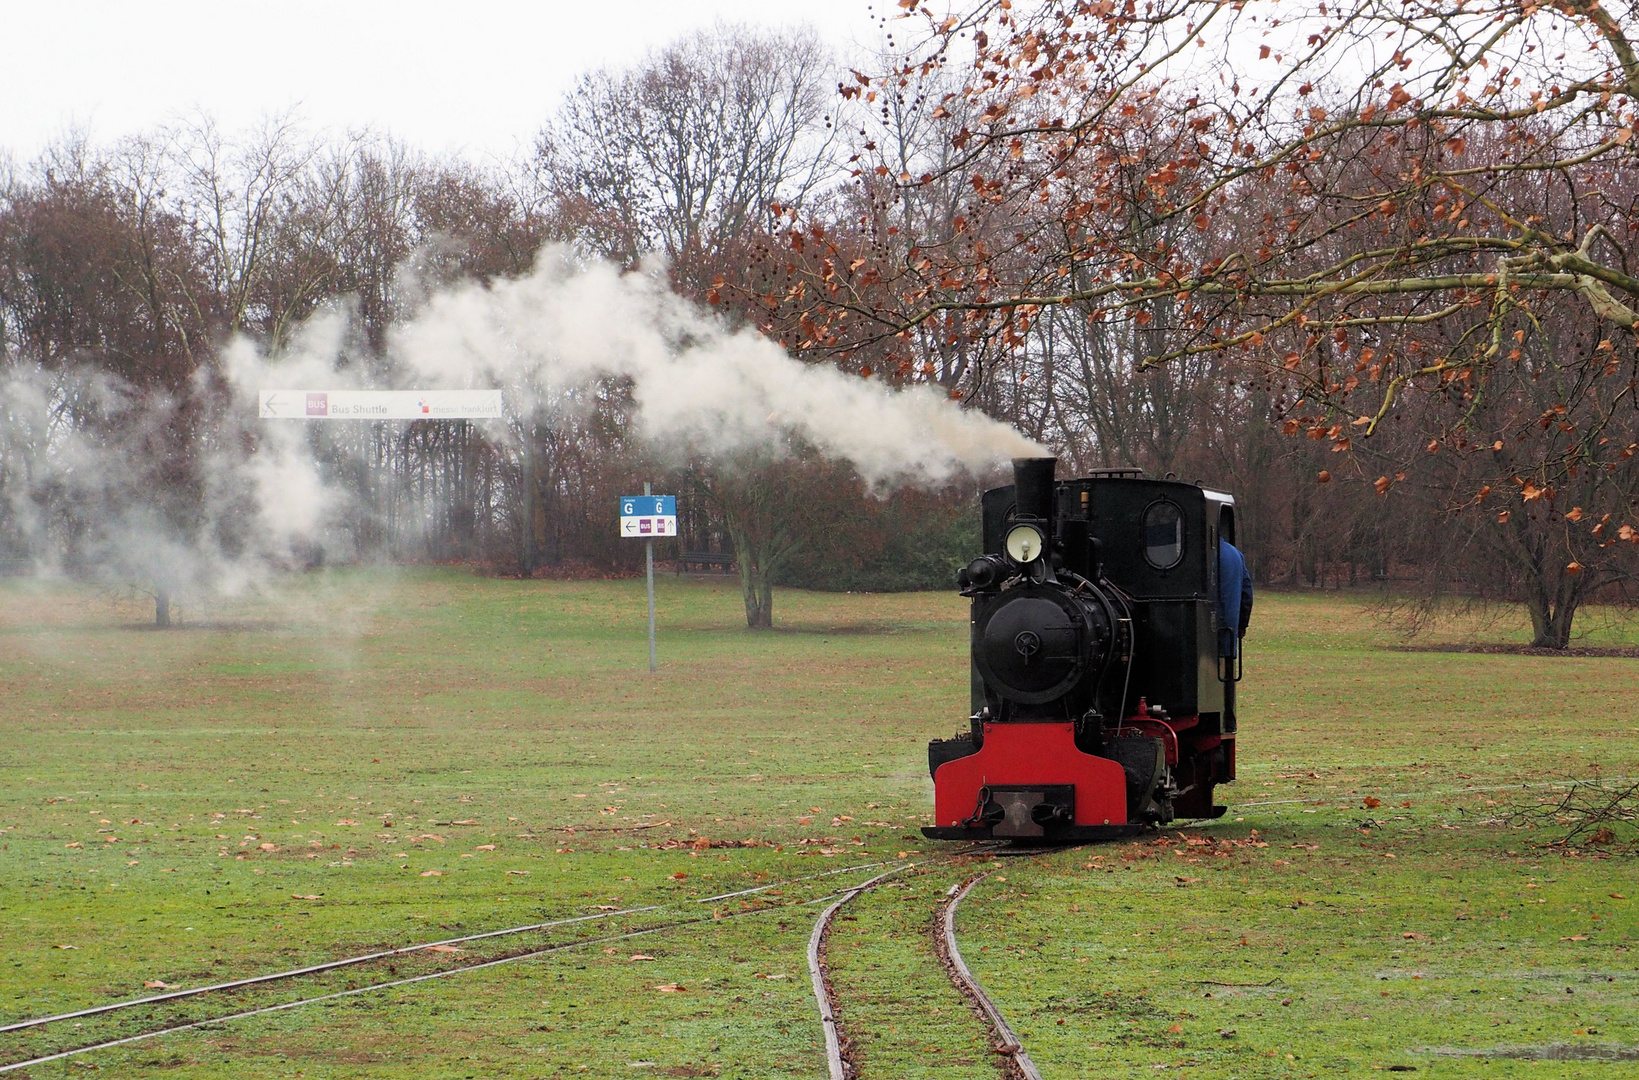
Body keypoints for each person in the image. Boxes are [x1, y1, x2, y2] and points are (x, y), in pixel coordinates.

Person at [1218, 537, 1253, 731]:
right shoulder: (1234, 554)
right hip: (1228, 632)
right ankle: (1228, 721)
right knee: (1227, 680)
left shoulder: (1199, 553)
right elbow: (1246, 592)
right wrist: (1241, 625)